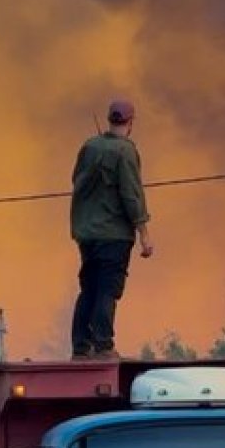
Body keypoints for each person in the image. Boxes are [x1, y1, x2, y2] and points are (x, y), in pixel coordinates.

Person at [70, 99, 153, 360]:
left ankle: (81, 347)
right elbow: (131, 195)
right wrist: (144, 233)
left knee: (89, 288)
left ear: (109, 120)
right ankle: (104, 345)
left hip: (86, 233)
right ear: (130, 123)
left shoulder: (89, 147)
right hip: (114, 234)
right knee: (108, 289)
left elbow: (76, 180)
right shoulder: (126, 152)